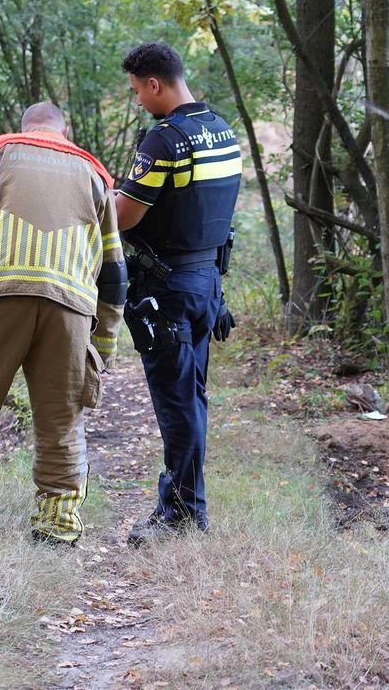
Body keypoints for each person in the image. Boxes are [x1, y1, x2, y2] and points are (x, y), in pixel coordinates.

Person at [0, 101, 127, 546]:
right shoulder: (94, 173)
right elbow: (115, 271)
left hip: (0, 296)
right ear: (64, 130)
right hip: (71, 307)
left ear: (26, 127)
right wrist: (105, 342)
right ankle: (56, 529)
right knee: (62, 420)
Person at [115, 42, 240, 548]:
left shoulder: (164, 141)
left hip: (166, 290)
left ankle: (184, 514)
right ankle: (184, 505)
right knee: (193, 398)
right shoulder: (222, 130)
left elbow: (124, 216)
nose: (139, 102)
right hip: (207, 284)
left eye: (137, 92)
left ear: (154, 84)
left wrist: (108, 195)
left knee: (177, 404)